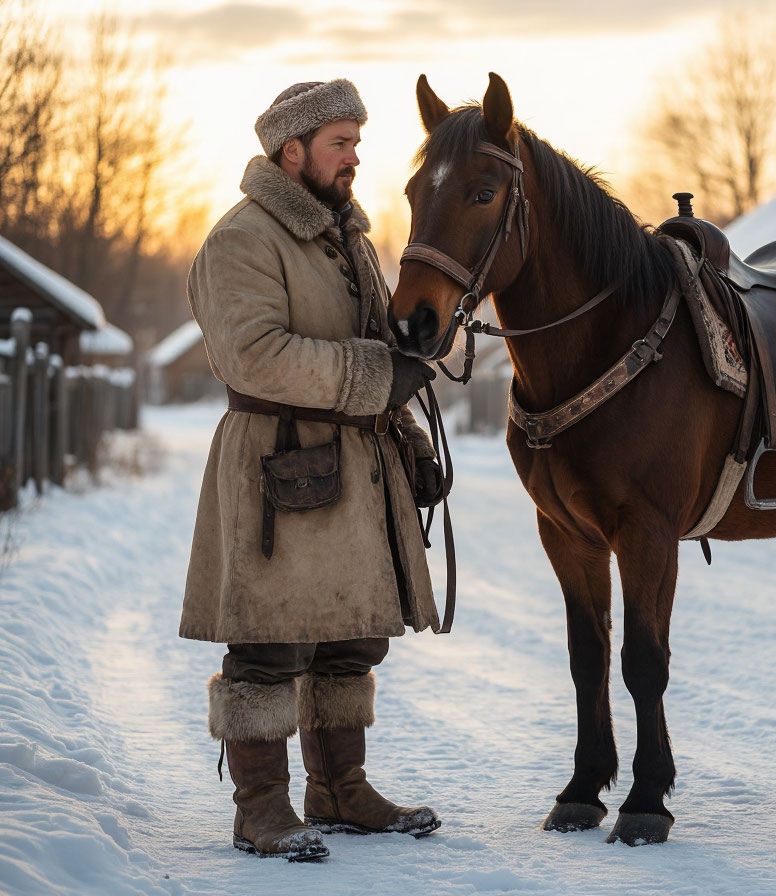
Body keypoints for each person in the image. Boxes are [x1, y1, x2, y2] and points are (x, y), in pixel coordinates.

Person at [179, 78, 444, 862]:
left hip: (357, 466)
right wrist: (372, 377)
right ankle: (260, 807)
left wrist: (410, 439)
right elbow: (253, 357)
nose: (355, 157)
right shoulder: (242, 240)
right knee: (268, 646)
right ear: (291, 152)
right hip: (275, 465)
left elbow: (386, 354)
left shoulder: (349, 241)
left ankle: (341, 791)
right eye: (340, 142)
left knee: (351, 637)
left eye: (357, 142)